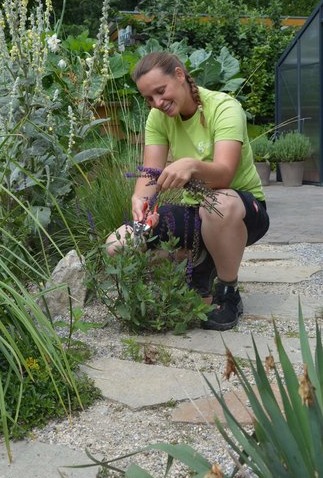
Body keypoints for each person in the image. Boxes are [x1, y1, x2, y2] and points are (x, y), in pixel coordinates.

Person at [106, 51, 270, 331]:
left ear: (179, 75)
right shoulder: (157, 119)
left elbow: (225, 173)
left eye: (161, 91)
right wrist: (140, 202)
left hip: (240, 211)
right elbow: (150, 176)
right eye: (149, 98)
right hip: (198, 212)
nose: (157, 103)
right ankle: (200, 262)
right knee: (117, 244)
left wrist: (191, 165)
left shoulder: (224, 107)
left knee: (218, 205)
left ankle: (228, 291)